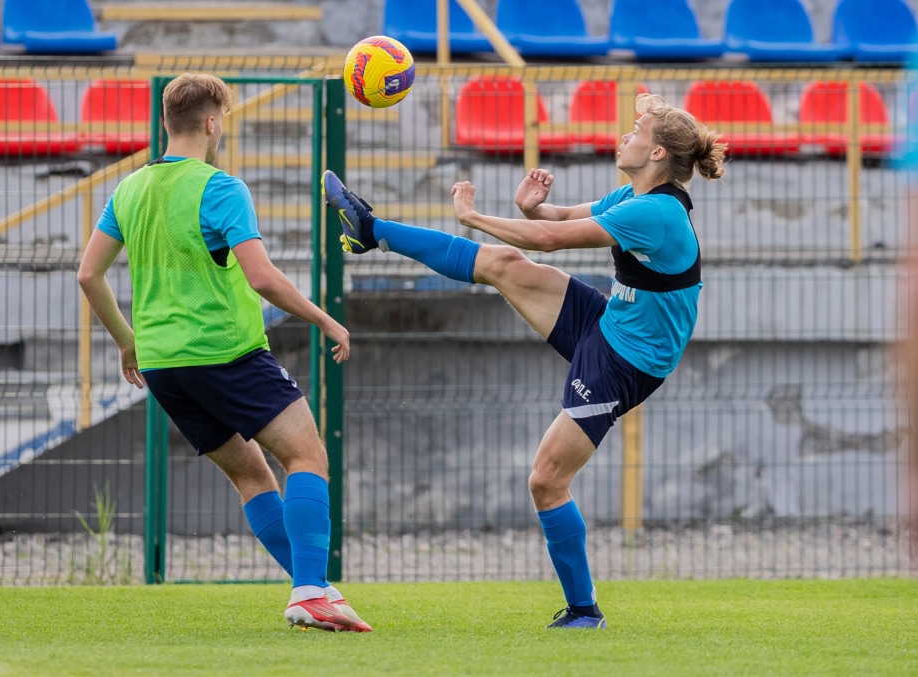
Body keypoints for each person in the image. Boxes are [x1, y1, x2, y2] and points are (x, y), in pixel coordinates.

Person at [323, 92, 725, 629]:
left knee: (545, 480)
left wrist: (472, 216)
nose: (626, 134)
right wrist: (531, 205)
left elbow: (551, 240)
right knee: (505, 264)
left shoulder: (657, 211)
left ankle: (584, 611)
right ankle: (370, 230)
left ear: (657, 154)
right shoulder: (636, 195)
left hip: (628, 360)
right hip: (610, 322)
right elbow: (552, 220)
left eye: (636, 128)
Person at [77, 72, 370, 633]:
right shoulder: (221, 187)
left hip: (163, 364)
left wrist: (126, 340)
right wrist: (327, 320)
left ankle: (316, 591)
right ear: (213, 123)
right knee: (307, 457)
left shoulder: (129, 189)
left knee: (253, 478)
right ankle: (310, 592)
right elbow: (261, 278)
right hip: (224, 354)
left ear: (168, 123)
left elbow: (89, 274)